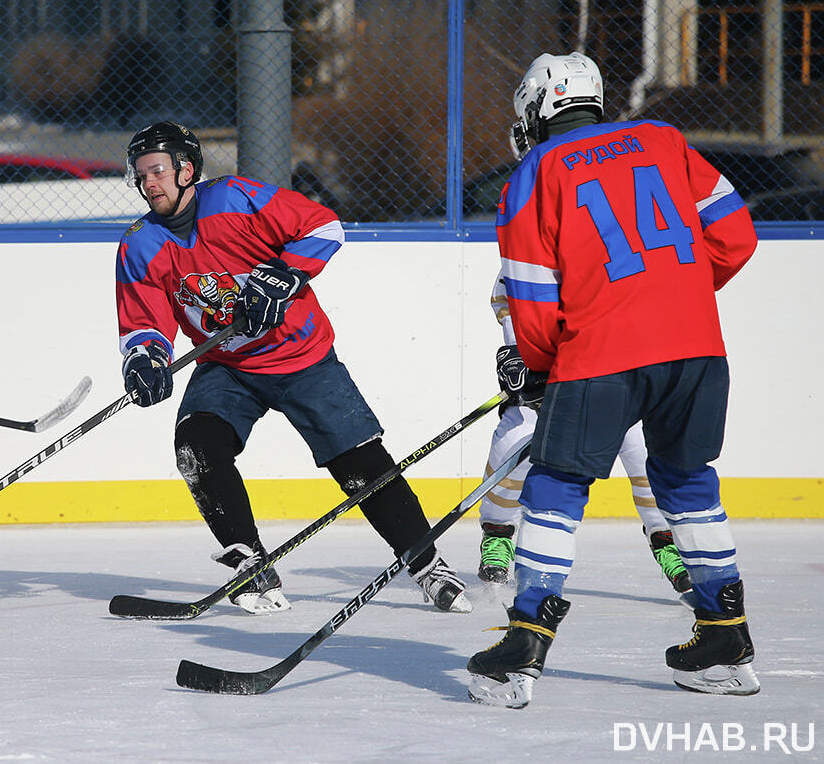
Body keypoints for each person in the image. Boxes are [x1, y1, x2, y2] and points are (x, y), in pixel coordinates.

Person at [466, 53, 759, 707]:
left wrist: (539, 368)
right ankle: (724, 639)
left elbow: (533, 295)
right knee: (686, 484)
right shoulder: (664, 139)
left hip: (603, 356)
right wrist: (670, 297)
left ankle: (520, 654)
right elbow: (735, 236)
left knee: (553, 488)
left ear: (540, 107)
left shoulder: (533, 172)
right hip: (695, 349)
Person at [115, 121, 471, 614]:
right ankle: (251, 567)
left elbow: (324, 225)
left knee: (361, 467)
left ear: (186, 169)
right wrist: (146, 357)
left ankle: (427, 565)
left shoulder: (237, 198)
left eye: (157, 170)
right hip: (229, 366)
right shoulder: (140, 244)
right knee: (197, 447)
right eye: (141, 174)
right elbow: (143, 319)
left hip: (302, 356)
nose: (148, 182)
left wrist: (283, 276)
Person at [476, 272, 690, 597]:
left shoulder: (614, 244)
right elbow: (508, 293)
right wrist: (521, 351)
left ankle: (666, 539)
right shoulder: (534, 252)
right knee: (516, 439)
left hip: (614, 370)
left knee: (645, 450)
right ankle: (497, 531)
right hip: (552, 374)